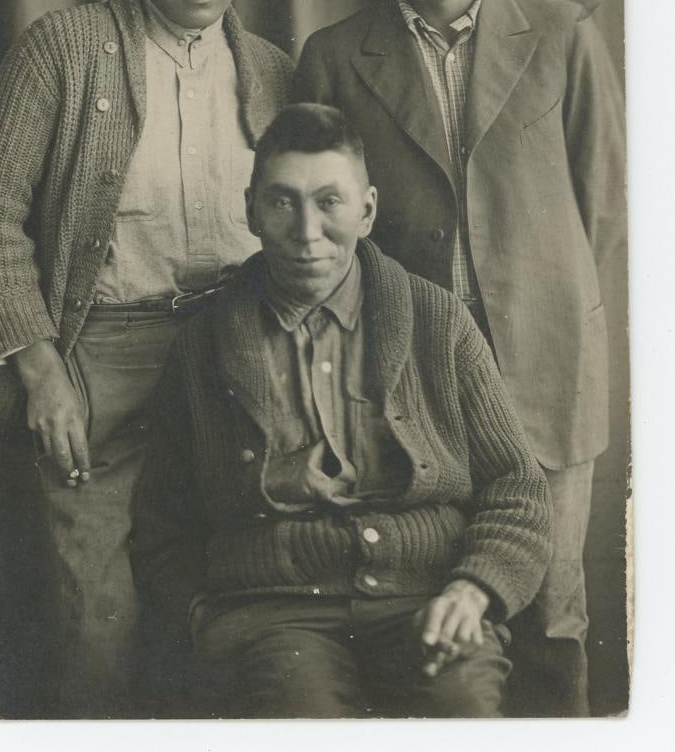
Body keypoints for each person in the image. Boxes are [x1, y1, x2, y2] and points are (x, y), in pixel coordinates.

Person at [293, 0, 626, 716]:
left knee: (552, 619)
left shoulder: (561, 35)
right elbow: (326, 236)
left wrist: (538, 306)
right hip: (410, 389)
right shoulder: (335, 55)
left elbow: (602, 208)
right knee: (433, 627)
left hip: (547, 377)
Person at [0, 0, 293, 716]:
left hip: (235, 356)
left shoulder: (272, 67)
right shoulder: (64, 49)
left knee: (227, 599)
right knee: (100, 618)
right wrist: (40, 368)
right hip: (102, 359)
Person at [131, 103, 552, 719]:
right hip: (274, 615)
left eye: (330, 202)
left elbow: (517, 487)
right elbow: (162, 521)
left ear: (368, 209)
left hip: (424, 596)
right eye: (281, 203)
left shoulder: (438, 321)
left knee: (460, 707)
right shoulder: (203, 346)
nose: (307, 233)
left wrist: (472, 591)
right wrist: (203, 617)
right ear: (250, 209)